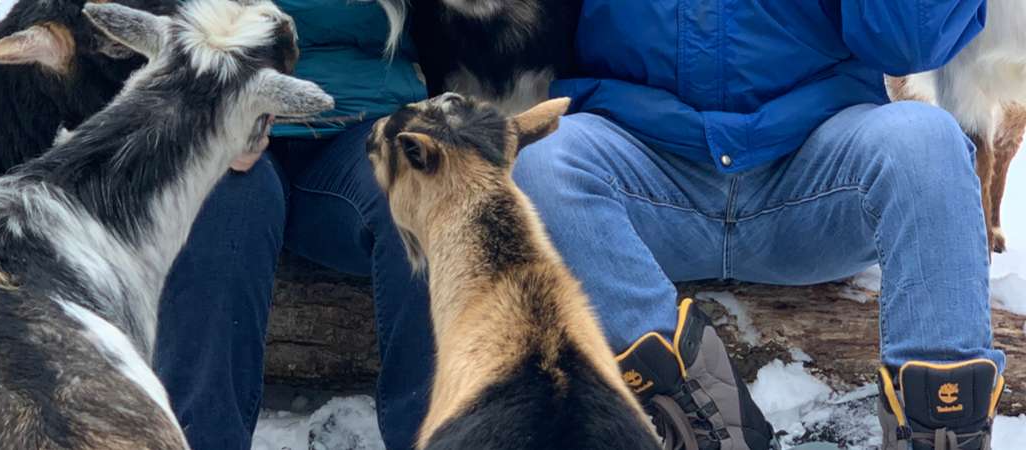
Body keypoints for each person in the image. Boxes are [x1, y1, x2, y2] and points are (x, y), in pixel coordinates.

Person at [511, 1, 1006, 450]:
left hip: (816, 176)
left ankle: (945, 435)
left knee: (926, 142)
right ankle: (703, 425)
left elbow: (906, 43)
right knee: (543, 160)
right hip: (640, 176)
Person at [151, 1, 433, 449]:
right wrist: (208, 107)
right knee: (215, 197)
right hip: (226, 111)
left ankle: (434, 436)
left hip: (361, 127)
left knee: (421, 193)